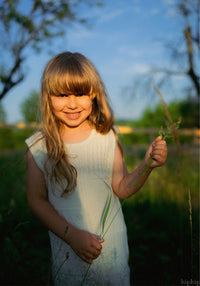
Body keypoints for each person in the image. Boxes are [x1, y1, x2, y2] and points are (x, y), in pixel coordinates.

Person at [25, 51, 167, 286]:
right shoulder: (39, 147)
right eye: (61, 94)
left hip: (112, 254)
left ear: (93, 94)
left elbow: (122, 187)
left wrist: (146, 165)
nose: (72, 103)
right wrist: (72, 236)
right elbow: (36, 201)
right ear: (48, 97)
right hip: (69, 256)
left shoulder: (106, 136)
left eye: (80, 93)